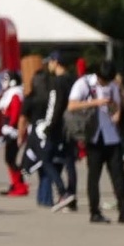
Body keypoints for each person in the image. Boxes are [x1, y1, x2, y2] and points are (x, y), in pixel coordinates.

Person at [69, 61, 124, 224]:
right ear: (98, 76)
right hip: (93, 136)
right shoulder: (83, 83)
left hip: (112, 136)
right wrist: (95, 102)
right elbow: (72, 105)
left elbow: (117, 106)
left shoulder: (113, 85)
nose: (106, 84)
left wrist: (116, 112)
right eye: (104, 81)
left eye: (109, 81)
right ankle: (95, 212)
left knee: (120, 177)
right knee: (94, 177)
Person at [38, 54, 79, 212]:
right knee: (69, 162)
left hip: (57, 127)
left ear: (56, 63)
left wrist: (49, 126)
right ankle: (72, 196)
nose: (48, 65)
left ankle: (63, 192)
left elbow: (55, 106)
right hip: (72, 125)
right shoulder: (73, 80)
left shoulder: (57, 82)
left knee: (46, 159)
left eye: (50, 62)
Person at [0, 70, 29, 197]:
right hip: (9, 130)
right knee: (9, 159)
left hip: (13, 131)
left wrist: (10, 126)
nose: (3, 82)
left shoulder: (15, 94)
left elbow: (15, 113)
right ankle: (15, 184)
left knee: (10, 159)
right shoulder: (10, 93)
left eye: (6, 80)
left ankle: (20, 185)